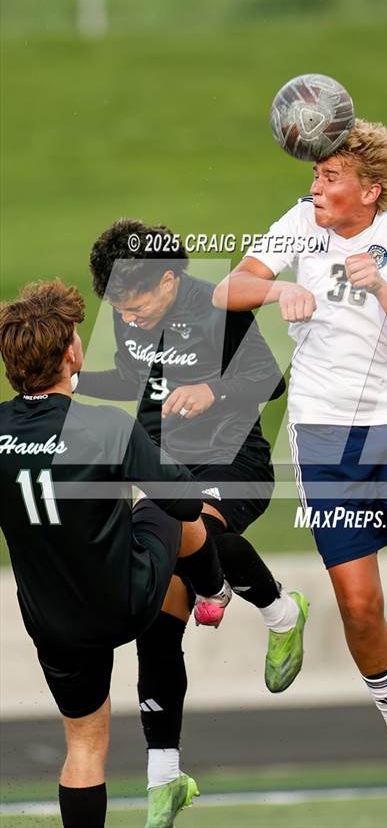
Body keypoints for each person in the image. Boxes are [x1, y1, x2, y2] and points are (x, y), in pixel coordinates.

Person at [213, 119, 387, 805]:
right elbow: (227, 290)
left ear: (372, 190)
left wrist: (384, 290)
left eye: (330, 177)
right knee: (361, 605)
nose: (315, 186)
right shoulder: (301, 221)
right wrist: (276, 291)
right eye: (316, 175)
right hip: (325, 437)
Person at [77, 220, 309, 823]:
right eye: (118, 310)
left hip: (233, 462)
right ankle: (165, 780)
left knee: (194, 525)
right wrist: (73, 381)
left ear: (171, 278)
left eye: (136, 304)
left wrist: (213, 389)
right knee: (158, 623)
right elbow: (131, 380)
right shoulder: (133, 320)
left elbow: (271, 379)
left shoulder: (218, 303)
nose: (127, 318)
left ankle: (281, 612)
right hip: (163, 465)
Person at [0, 280, 227, 827]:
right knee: (168, 508)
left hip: (55, 625)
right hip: (127, 599)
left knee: (83, 746)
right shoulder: (105, 424)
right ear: (71, 355)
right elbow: (182, 501)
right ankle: (216, 591)